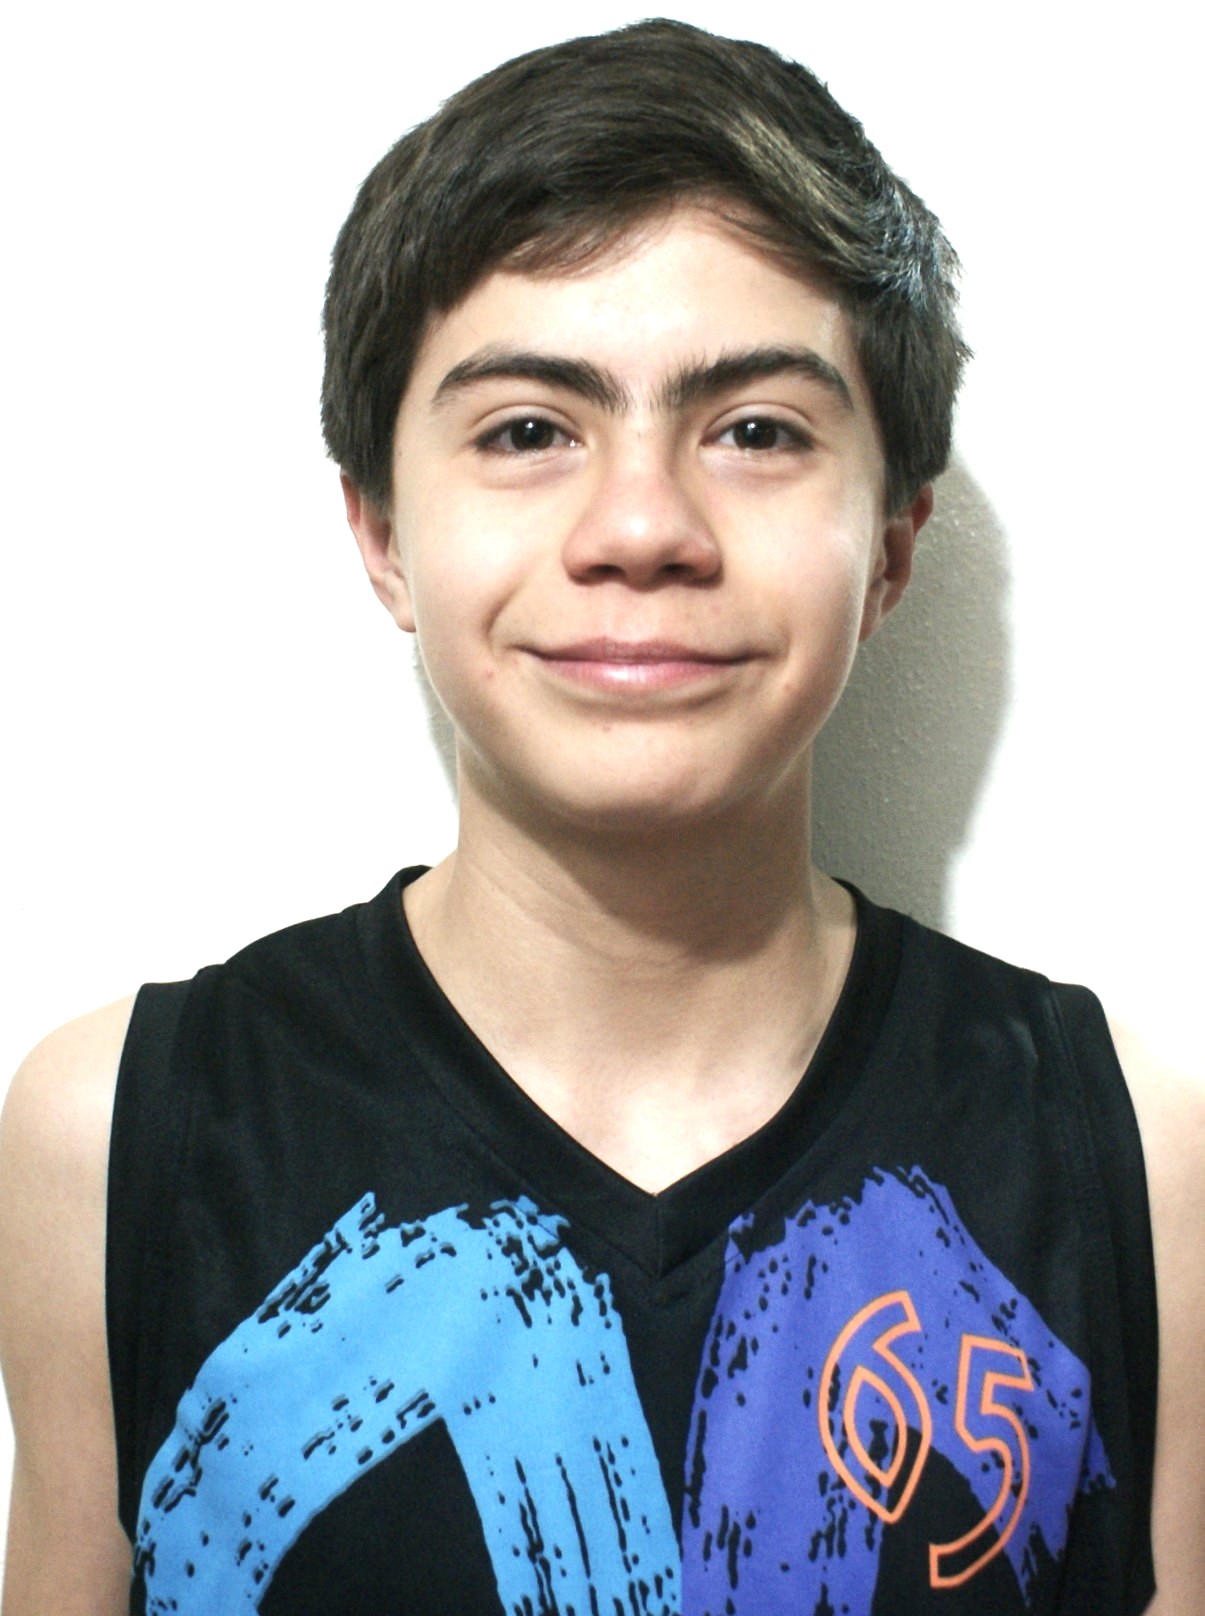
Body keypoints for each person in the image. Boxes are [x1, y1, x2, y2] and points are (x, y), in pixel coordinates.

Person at [0, 18, 1200, 1614]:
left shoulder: (1131, 1155)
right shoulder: (118, 1134)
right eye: (526, 431)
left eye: (756, 430)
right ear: (381, 534)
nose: (640, 525)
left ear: (893, 546)